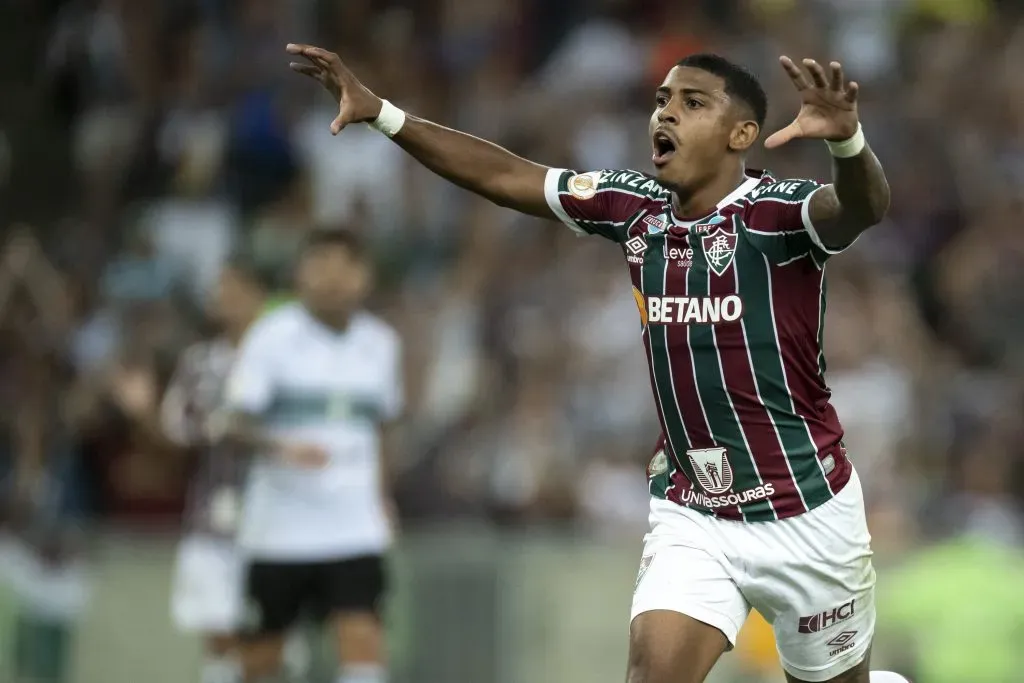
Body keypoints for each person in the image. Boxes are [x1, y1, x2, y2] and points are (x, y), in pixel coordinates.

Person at [286, 43, 911, 683]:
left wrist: (848, 143)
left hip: (805, 508)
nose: (664, 115)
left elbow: (861, 208)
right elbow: (506, 177)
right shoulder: (632, 205)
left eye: (692, 103)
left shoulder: (775, 214)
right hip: (697, 510)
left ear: (741, 134)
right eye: (662, 100)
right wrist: (385, 115)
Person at [222, 229, 402, 683]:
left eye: (343, 268)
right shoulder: (270, 336)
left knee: (363, 641)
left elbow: (381, 428)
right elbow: (236, 423)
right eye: (319, 266)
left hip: (353, 525)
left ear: (364, 276)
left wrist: (383, 497)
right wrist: (281, 446)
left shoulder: (381, 345)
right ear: (301, 273)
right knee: (263, 657)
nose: (331, 280)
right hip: (280, 527)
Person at [160, 257, 269, 683]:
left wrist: (244, 431)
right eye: (219, 290)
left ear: (258, 295)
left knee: (267, 638)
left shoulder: (283, 358)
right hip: (213, 514)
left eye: (233, 289)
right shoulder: (200, 361)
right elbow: (175, 424)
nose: (222, 299)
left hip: (275, 517)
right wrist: (219, 427)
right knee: (217, 633)